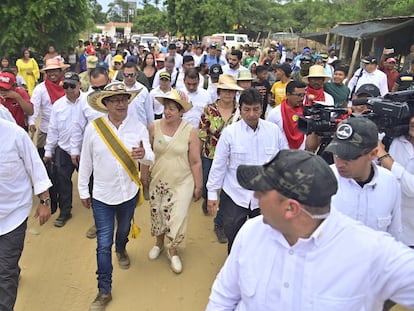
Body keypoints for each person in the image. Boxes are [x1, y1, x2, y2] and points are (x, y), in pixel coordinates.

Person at [206, 149, 414, 311]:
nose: (255, 198)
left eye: (261, 192)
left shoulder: (370, 252)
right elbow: (224, 297)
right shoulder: (251, 232)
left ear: (291, 208)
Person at [78, 82, 154, 310]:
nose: (121, 104)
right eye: (115, 100)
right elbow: (86, 162)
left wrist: (144, 156)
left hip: (128, 193)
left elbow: (150, 157)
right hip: (102, 195)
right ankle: (104, 290)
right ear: (106, 104)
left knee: (122, 231)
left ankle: (121, 248)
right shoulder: (94, 128)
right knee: (103, 244)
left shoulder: (138, 127)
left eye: (124, 99)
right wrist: (83, 189)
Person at [206, 87, 288, 253]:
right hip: (235, 195)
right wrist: (212, 193)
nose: (251, 114)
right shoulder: (230, 133)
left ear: (262, 108)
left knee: (263, 238)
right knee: (233, 234)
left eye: (256, 109)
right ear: (240, 109)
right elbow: (219, 164)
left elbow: (284, 161)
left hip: (265, 198)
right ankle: (234, 267)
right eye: (247, 109)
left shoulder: (274, 132)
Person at [147, 89, 202, 274]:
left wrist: (198, 185)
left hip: (182, 182)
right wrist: (144, 176)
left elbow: (195, 161)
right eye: (166, 107)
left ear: (181, 112)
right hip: (159, 179)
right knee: (159, 213)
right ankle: (159, 243)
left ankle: (173, 250)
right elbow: (147, 155)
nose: (167, 112)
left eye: (172, 108)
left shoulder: (190, 131)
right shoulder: (153, 127)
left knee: (177, 216)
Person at [0, 118, 52, 311]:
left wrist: (45, 201)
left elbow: (35, 167)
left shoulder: (15, 134)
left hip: (13, 214)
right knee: (6, 267)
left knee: (4, 276)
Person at [325, 117, 402, 239]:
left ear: (373, 154)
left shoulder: (390, 183)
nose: (340, 163)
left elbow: (394, 236)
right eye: (337, 154)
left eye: (349, 157)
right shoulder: (322, 181)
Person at [199, 74, 243, 243]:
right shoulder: (209, 110)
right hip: (210, 155)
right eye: (225, 90)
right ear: (219, 91)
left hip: (231, 159)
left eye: (231, 91)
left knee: (226, 193)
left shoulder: (240, 111)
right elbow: (201, 134)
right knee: (206, 185)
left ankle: (219, 223)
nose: (228, 94)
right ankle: (206, 198)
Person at [44, 72, 85, 227]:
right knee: (62, 183)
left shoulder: (87, 102)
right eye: (65, 86)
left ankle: (99, 213)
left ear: (79, 84)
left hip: (83, 151)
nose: (69, 89)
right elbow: (53, 129)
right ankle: (65, 212)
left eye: (72, 85)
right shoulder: (58, 105)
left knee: (90, 182)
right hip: (63, 150)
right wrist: (49, 152)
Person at [378, 115, 414, 248]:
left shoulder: (383, 150)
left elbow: (412, 188)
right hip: (388, 234)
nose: (413, 121)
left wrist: (385, 158)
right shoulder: (390, 140)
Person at [267, 80, 307, 149]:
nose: (302, 98)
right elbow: (268, 136)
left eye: (303, 95)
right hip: (283, 155)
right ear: (288, 95)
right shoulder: (275, 113)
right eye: (299, 95)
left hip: (303, 154)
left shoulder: (307, 112)